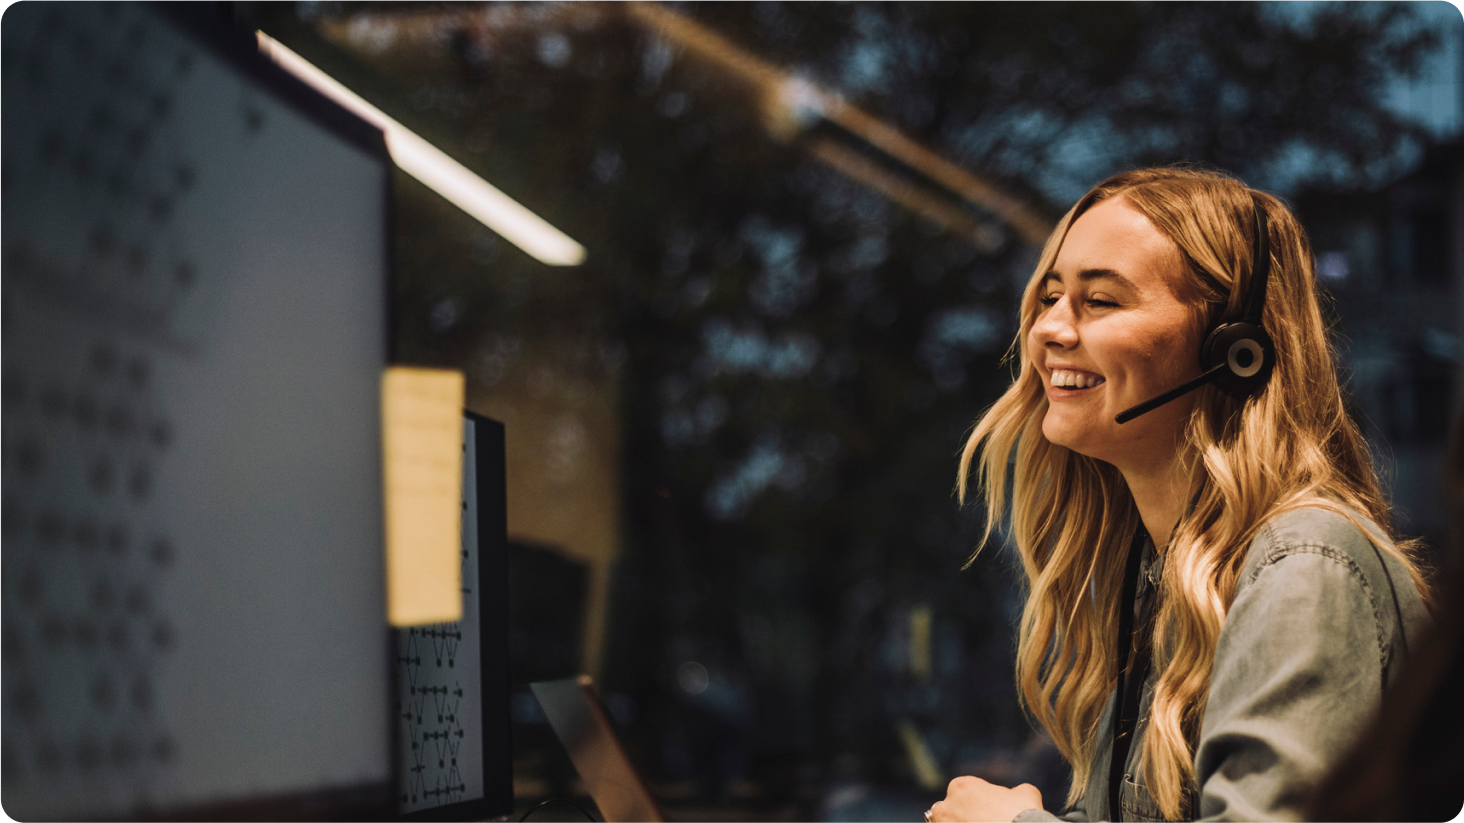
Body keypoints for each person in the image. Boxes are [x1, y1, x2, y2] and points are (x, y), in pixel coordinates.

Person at [932, 166, 1433, 823]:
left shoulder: (1305, 569)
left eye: (1101, 300)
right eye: (1051, 296)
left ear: (1234, 348)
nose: (1050, 329)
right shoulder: (1162, 577)